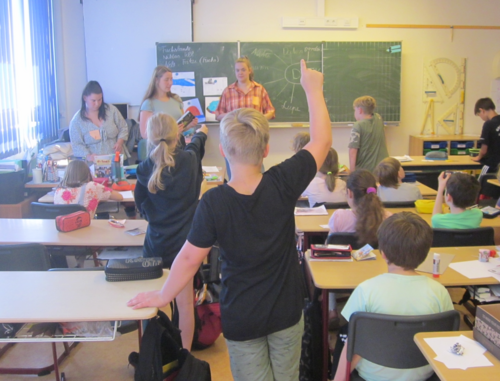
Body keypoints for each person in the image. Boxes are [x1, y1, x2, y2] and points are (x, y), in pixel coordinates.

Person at [128, 60, 332, 381]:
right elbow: (321, 141)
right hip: (286, 314)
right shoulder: (283, 182)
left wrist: (164, 295)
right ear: (266, 149)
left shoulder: (213, 202)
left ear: (222, 150)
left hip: (242, 318)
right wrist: (313, 90)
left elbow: (189, 258)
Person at [335, 212, 454, 381]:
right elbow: (444, 338)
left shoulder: (365, 290)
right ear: (425, 253)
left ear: (382, 252)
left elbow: (353, 346)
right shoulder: (439, 291)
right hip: (424, 373)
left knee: (348, 335)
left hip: (372, 375)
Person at [134, 112, 208, 350]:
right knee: (185, 305)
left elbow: (140, 202)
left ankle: (153, 356)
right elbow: (196, 147)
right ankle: (184, 357)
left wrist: (154, 217)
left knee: (151, 304)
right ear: (177, 134)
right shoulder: (188, 161)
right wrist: (200, 134)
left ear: (148, 137)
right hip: (184, 248)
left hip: (156, 245)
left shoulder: (145, 168)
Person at [215, 57, 276, 180]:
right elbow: (218, 114)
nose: (240, 73)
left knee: (258, 176)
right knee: (235, 178)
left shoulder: (259, 89)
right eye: (237, 70)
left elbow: (271, 111)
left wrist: (258, 119)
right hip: (233, 140)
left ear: (250, 71)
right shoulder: (228, 91)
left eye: (243, 69)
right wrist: (231, 117)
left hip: (254, 138)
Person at [328, 169, 392, 248]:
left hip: (345, 259)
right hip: (378, 259)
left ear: (350, 193)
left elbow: (329, 246)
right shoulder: (388, 218)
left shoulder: (338, 217)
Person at [69, 81, 129, 162]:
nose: (97, 104)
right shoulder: (77, 121)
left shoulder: (111, 110)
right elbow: (77, 145)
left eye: (99, 100)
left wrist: (119, 142)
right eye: (93, 100)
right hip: (94, 165)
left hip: (117, 160)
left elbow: (123, 127)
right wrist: (88, 156)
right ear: (85, 98)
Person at [139, 66, 199, 140]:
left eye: (171, 79)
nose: (170, 83)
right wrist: (171, 133)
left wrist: (189, 125)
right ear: (156, 80)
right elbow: (145, 134)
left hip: (179, 145)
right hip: (161, 148)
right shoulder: (149, 103)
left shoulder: (176, 99)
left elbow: (180, 128)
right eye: (166, 80)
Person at [54, 160, 123, 218]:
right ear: (87, 173)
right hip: (84, 228)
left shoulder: (58, 190)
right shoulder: (92, 186)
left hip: (64, 229)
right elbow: (119, 197)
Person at [348, 96, 389, 173]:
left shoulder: (358, 125)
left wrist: (352, 172)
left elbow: (353, 150)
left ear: (359, 110)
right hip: (384, 169)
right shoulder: (378, 118)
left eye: (355, 110)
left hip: (366, 171)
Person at [472, 97, 500, 172]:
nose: (481, 118)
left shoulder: (488, 124)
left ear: (482, 110)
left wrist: (478, 157)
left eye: (479, 115)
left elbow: (484, 150)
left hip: (492, 164)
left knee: (480, 182)